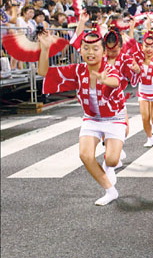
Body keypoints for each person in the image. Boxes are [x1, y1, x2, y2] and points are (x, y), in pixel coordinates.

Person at [37, 30, 127, 206]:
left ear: (103, 52)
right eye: (86, 48)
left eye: (95, 49)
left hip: (114, 118)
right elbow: (44, 72)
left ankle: (109, 166)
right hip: (91, 118)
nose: (90, 52)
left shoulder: (109, 68)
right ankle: (110, 191)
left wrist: (104, 80)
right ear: (81, 51)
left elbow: (115, 81)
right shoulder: (77, 70)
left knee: (112, 159)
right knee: (85, 155)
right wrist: (45, 49)